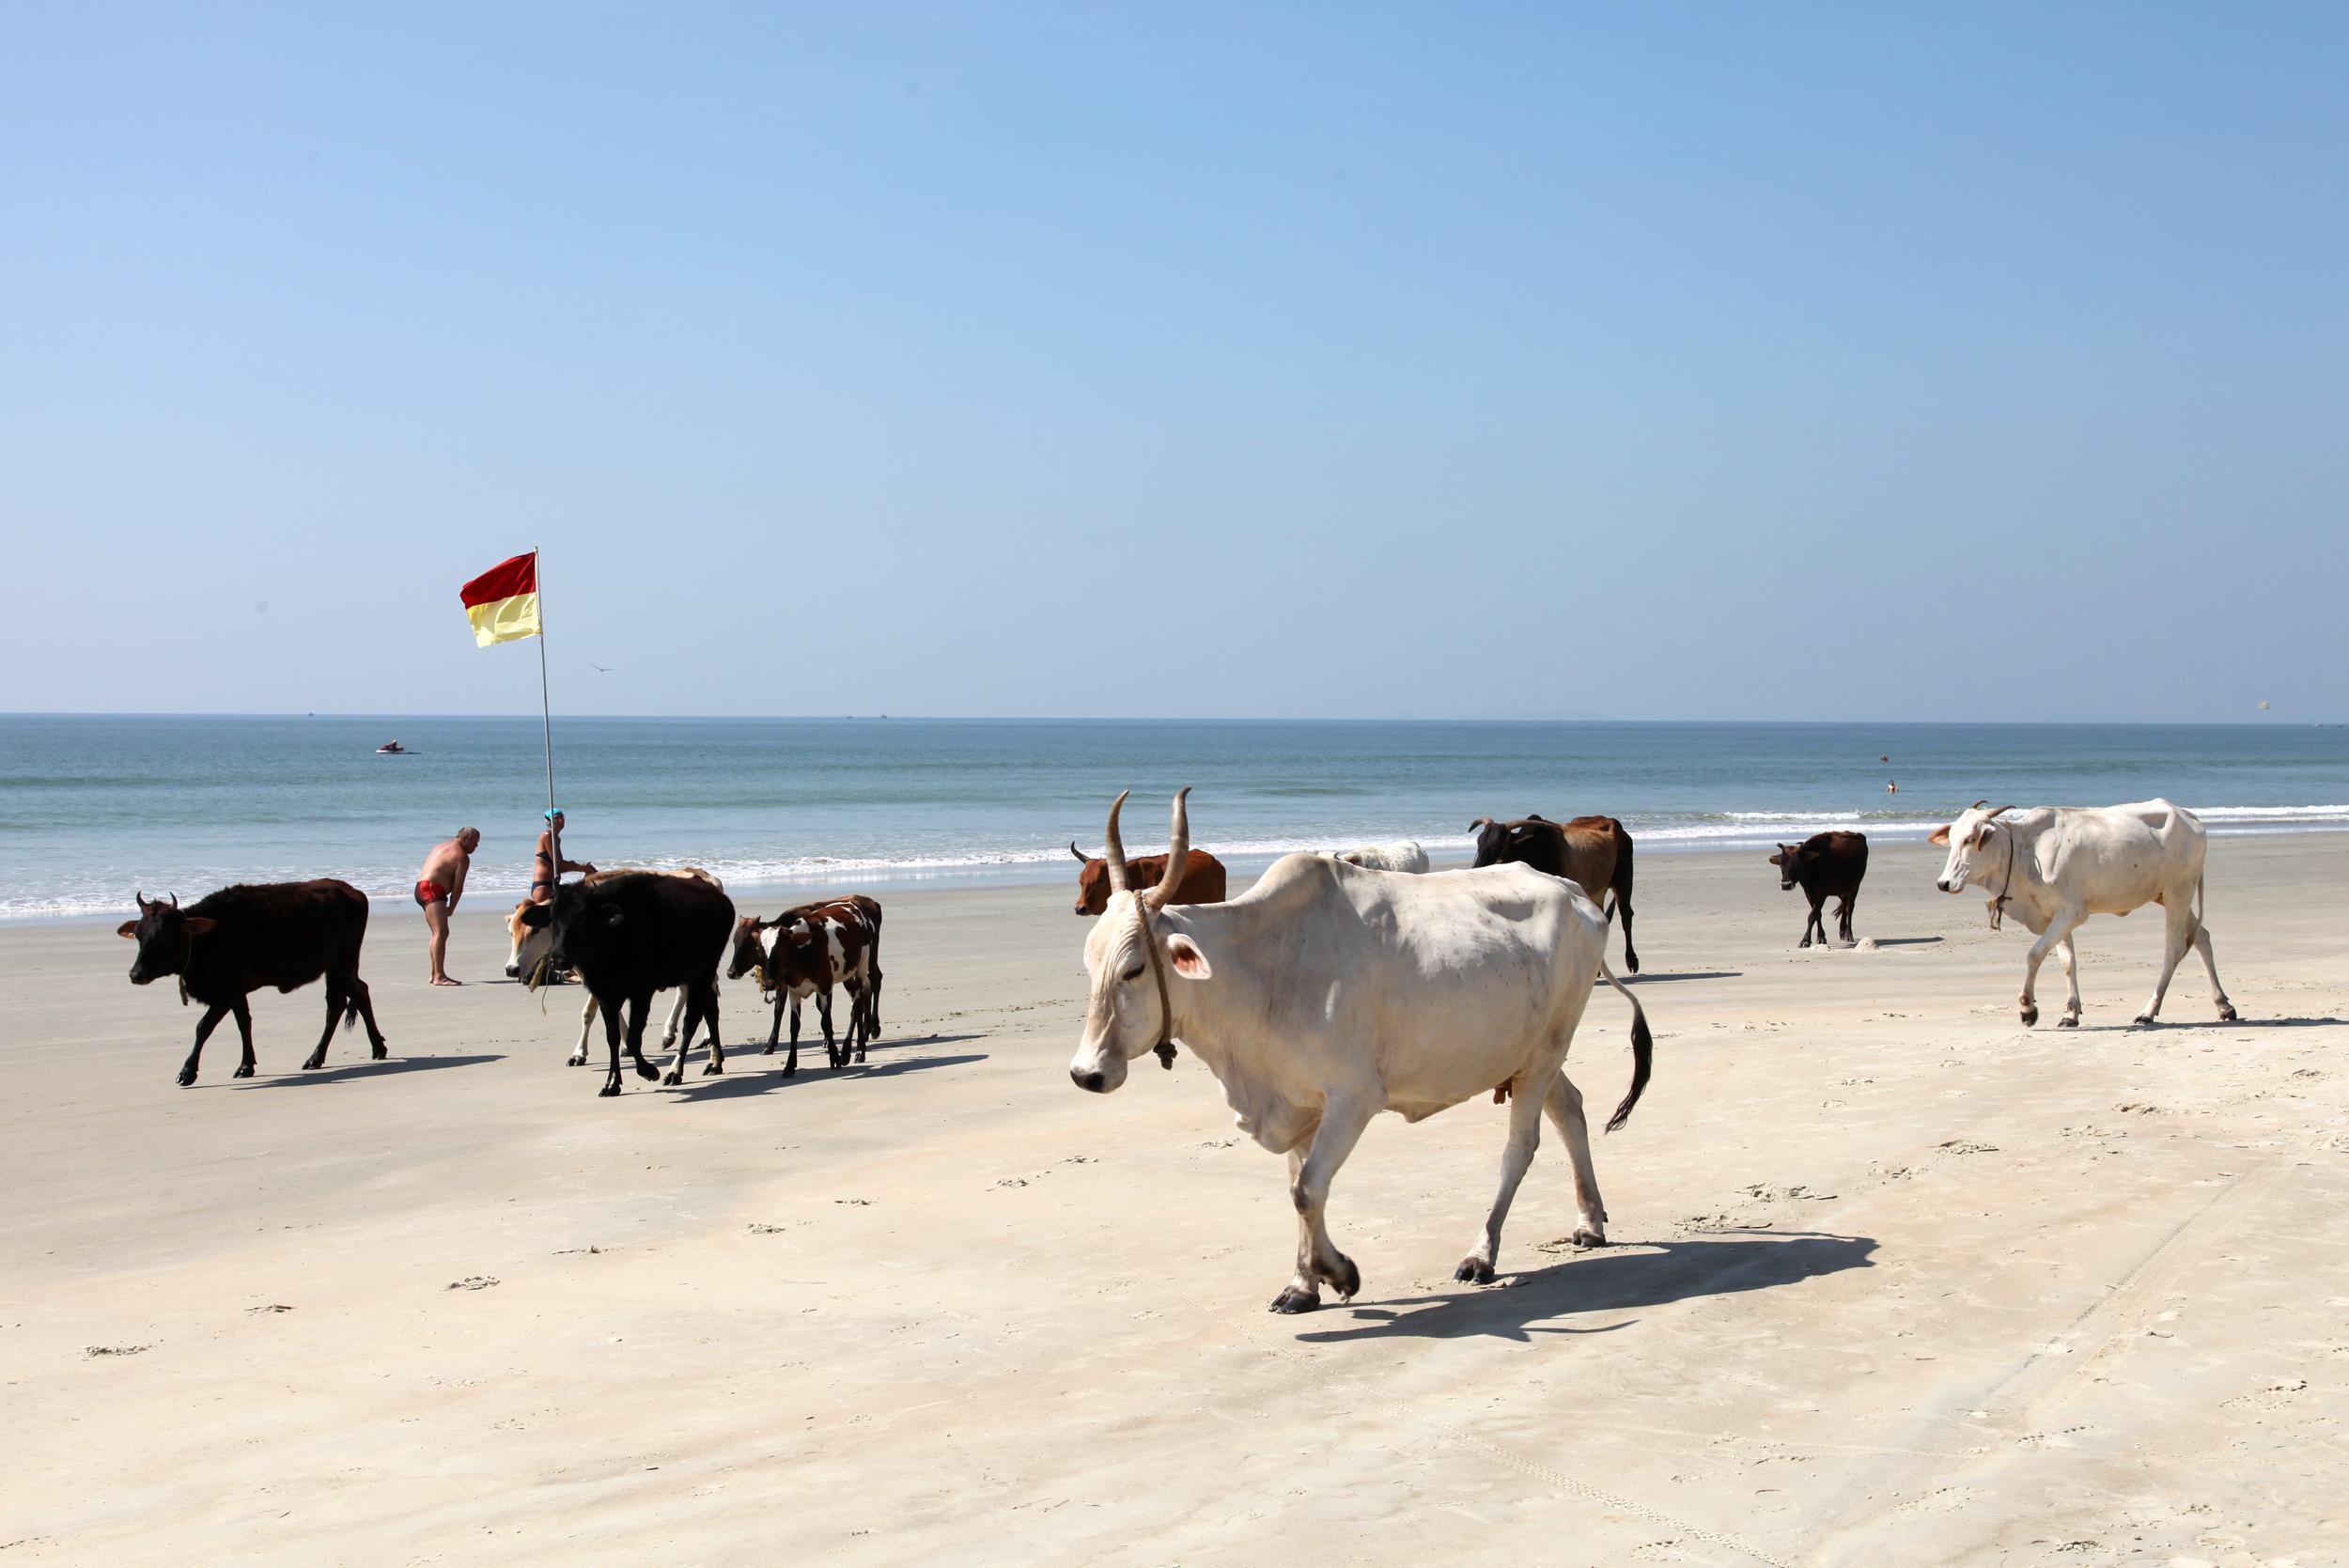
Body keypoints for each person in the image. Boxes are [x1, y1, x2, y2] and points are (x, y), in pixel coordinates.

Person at [416, 827, 480, 986]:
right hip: (432, 890)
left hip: (421, 888)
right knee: (441, 933)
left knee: (436, 934)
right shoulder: (462, 857)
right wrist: (452, 907)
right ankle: (439, 976)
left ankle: (434, 974)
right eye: (475, 842)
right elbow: (458, 887)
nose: (476, 846)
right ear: (465, 838)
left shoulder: (442, 846)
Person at [531, 809, 596, 905]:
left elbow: (558, 868)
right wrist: (581, 868)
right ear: (548, 822)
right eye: (556, 818)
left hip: (554, 885)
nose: (561, 820)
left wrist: (577, 866)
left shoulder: (557, 839)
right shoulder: (547, 835)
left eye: (562, 817)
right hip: (543, 887)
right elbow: (558, 863)